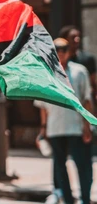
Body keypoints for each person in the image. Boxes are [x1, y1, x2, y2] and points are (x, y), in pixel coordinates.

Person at [36, 37, 93, 204]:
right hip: (55, 127)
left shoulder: (80, 71)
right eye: (57, 50)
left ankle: (85, 198)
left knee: (82, 165)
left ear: (69, 52)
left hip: (76, 126)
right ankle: (67, 200)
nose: (60, 53)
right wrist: (43, 129)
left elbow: (87, 100)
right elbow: (42, 105)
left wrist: (87, 125)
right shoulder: (46, 72)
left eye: (63, 50)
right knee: (60, 167)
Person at [60, 25, 97, 104]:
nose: (77, 39)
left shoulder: (87, 59)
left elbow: (93, 84)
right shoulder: (59, 62)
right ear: (65, 40)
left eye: (78, 36)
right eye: (73, 37)